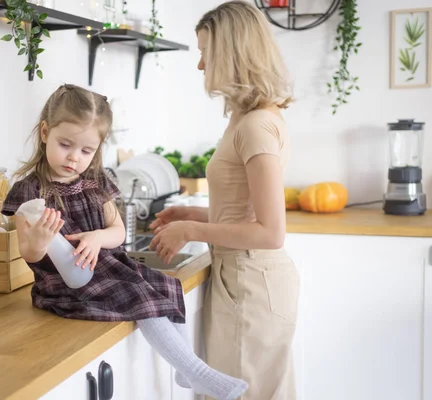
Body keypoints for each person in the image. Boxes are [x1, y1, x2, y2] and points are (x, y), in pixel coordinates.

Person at [1, 83, 248, 400]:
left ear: (98, 148)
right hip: (67, 286)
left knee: (165, 284)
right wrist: (39, 240)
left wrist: (96, 237)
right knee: (141, 298)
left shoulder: (96, 182)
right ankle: (198, 373)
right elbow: (28, 253)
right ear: (45, 132)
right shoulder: (29, 193)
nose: (74, 158)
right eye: (65, 144)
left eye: (86, 151)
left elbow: (118, 232)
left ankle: (187, 371)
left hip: (107, 268)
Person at [149, 2, 300, 400]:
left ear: (231, 53)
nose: (201, 66)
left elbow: (270, 232)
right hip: (246, 277)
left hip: (251, 281)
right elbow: (245, 212)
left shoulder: (255, 125)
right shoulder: (248, 118)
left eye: (204, 52)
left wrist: (192, 228)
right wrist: (192, 213)